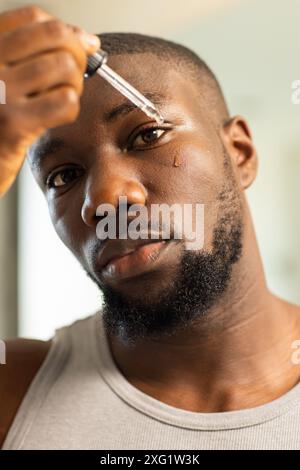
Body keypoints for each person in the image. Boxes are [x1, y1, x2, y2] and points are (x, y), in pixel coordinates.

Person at [1, 5, 300, 450]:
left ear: (239, 153)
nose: (104, 200)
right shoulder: (15, 392)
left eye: (147, 135)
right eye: (63, 176)